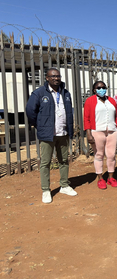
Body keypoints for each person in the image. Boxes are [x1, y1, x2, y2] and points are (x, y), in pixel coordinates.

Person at [26, 68, 77, 204]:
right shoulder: (39, 93)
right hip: (48, 135)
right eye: (52, 76)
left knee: (64, 160)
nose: (56, 78)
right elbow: (30, 111)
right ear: (47, 78)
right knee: (45, 163)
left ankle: (64, 185)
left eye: (58, 76)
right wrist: (40, 125)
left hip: (63, 133)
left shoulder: (65, 93)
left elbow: (69, 112)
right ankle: (46, 190)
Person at [84, 80, 117, 190]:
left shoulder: (111, 100)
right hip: (97, 131)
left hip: (112, 131)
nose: (101, 89)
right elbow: (86, 118)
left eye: (103, 87)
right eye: (99, 88)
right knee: (99, 155)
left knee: (111, 155)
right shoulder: (90, 101)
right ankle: (100, 178)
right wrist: (88, 134)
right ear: (94, 90)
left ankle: (111, 177)